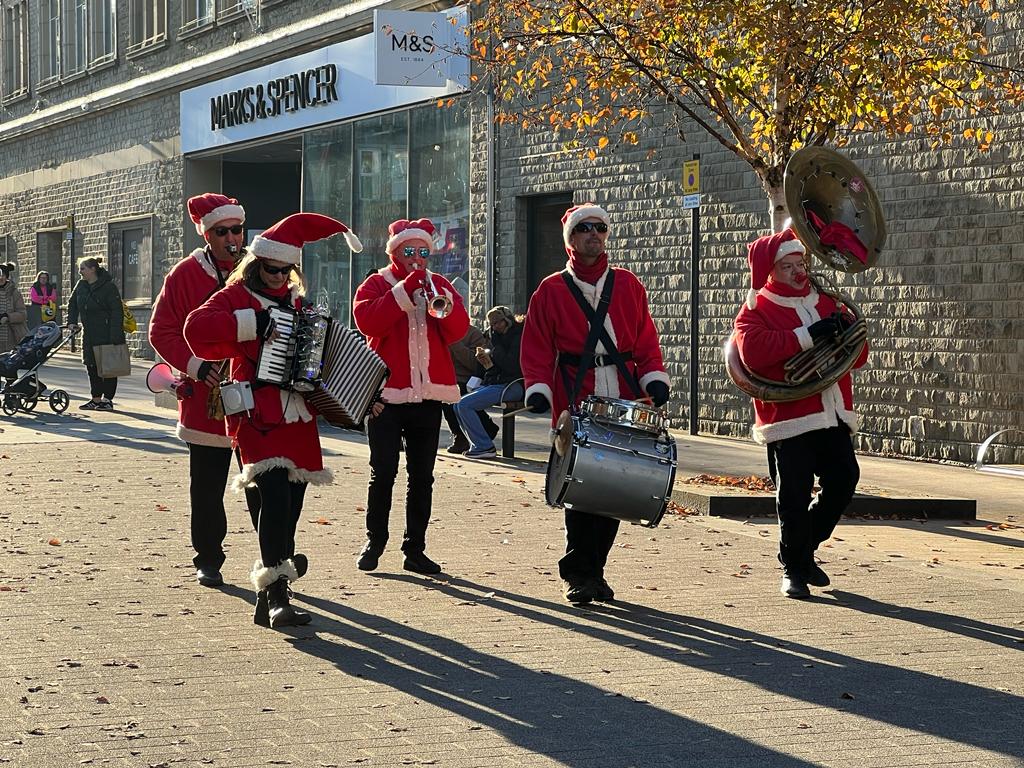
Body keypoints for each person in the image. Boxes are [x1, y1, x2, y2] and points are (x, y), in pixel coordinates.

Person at [184, 212, 362, 628]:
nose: (279, 277)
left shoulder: (302, 307)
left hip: (297, 416)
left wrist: (360, 398)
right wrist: (252, 323)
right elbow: (197, 329)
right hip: (256, 414)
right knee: (276, 497)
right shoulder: (236, 296)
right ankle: (278, 592)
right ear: (257, 264)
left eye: (286, 271)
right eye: (272, 269)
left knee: (291, 506)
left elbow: (323, 362)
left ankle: (270, 591)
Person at [520, 203, 671, 605]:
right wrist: (538, 388)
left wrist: (654, 380)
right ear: (571, 238)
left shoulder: (628, 285)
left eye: (600, 228)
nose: (594, 234)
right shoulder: (550, 290)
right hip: (576, 396)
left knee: (615, 487)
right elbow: (536, 348)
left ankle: (593, 570)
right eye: (585, 228)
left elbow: (645, 342)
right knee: (581, 486)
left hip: (623, 396)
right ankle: (578, 573)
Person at [732, 228, 867, 599]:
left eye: (800, 263)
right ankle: (794, 570)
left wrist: (845, 330)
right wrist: (809, 334)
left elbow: (861, 354)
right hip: (788, 419)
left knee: (844, 481)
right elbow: (754, 353)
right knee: (792, 494)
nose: (799, 271)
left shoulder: (828, 301)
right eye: (788, 266)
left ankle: (802, 549)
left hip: (832, 413)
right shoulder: (758, 308)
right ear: (770, 271)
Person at [150, 193, 263, 588]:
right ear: (207, 234)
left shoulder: (259, 268)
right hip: (206, 398)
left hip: (255, 396)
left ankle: (273, 557)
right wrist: (196, 367)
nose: (233, 237)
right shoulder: (184, 274)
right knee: (208, 488)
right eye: (223, 231)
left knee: (263, 482)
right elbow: (161, 330)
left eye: (237, 229)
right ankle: (209, 558)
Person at [352, 218, 469, 575]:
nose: (416, 259)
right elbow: (367, 323)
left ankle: (414, 549)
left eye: (422, 252)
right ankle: (375, 540)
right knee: (383, 471)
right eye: (409, 252)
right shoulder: (375, 284)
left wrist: (443, 297)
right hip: (385, 396)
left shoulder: (439, 284)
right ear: (395, 252)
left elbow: (457, 330)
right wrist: (402, 293)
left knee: (423, 476)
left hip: (427, 398)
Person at [453, 306, 525, 459]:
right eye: (492, 324)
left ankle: (484, 446)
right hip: (500, 382)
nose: (495, 327)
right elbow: (495, 368)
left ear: (507, 320)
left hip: (514, 385)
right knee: (457, 403)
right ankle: (478, 444)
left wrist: (494, 350)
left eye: (498, 323)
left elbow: (512, 366)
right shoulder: (494, 337)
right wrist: (485, 361)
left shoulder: (518, 337)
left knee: (465, 405)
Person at [67, 257, 125, 411]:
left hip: (106, 332)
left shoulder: (108, 287)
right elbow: (72, 304)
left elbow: (117, 312)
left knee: (108, 367)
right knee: (91, 366)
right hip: (89, 333)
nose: (80, 272)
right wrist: (72, 321)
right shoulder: (81, 285)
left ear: (93, 269)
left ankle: (107, 399)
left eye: (83, 268)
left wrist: (115, 336)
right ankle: (96, 398)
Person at [441, 324, 498, 454]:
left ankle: (471, 434)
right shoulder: (440, 331)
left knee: (454, 399)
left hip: (468, 379)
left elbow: (474, 363)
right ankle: (461, 435)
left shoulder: (473, 334)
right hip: (447, 379)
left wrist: (454, 342)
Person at [0, 263, 29, 355]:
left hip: (12, 337)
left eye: (3, 275)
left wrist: (8, 317)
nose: (1, 278)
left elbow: (23, 314)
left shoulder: (14, 293)